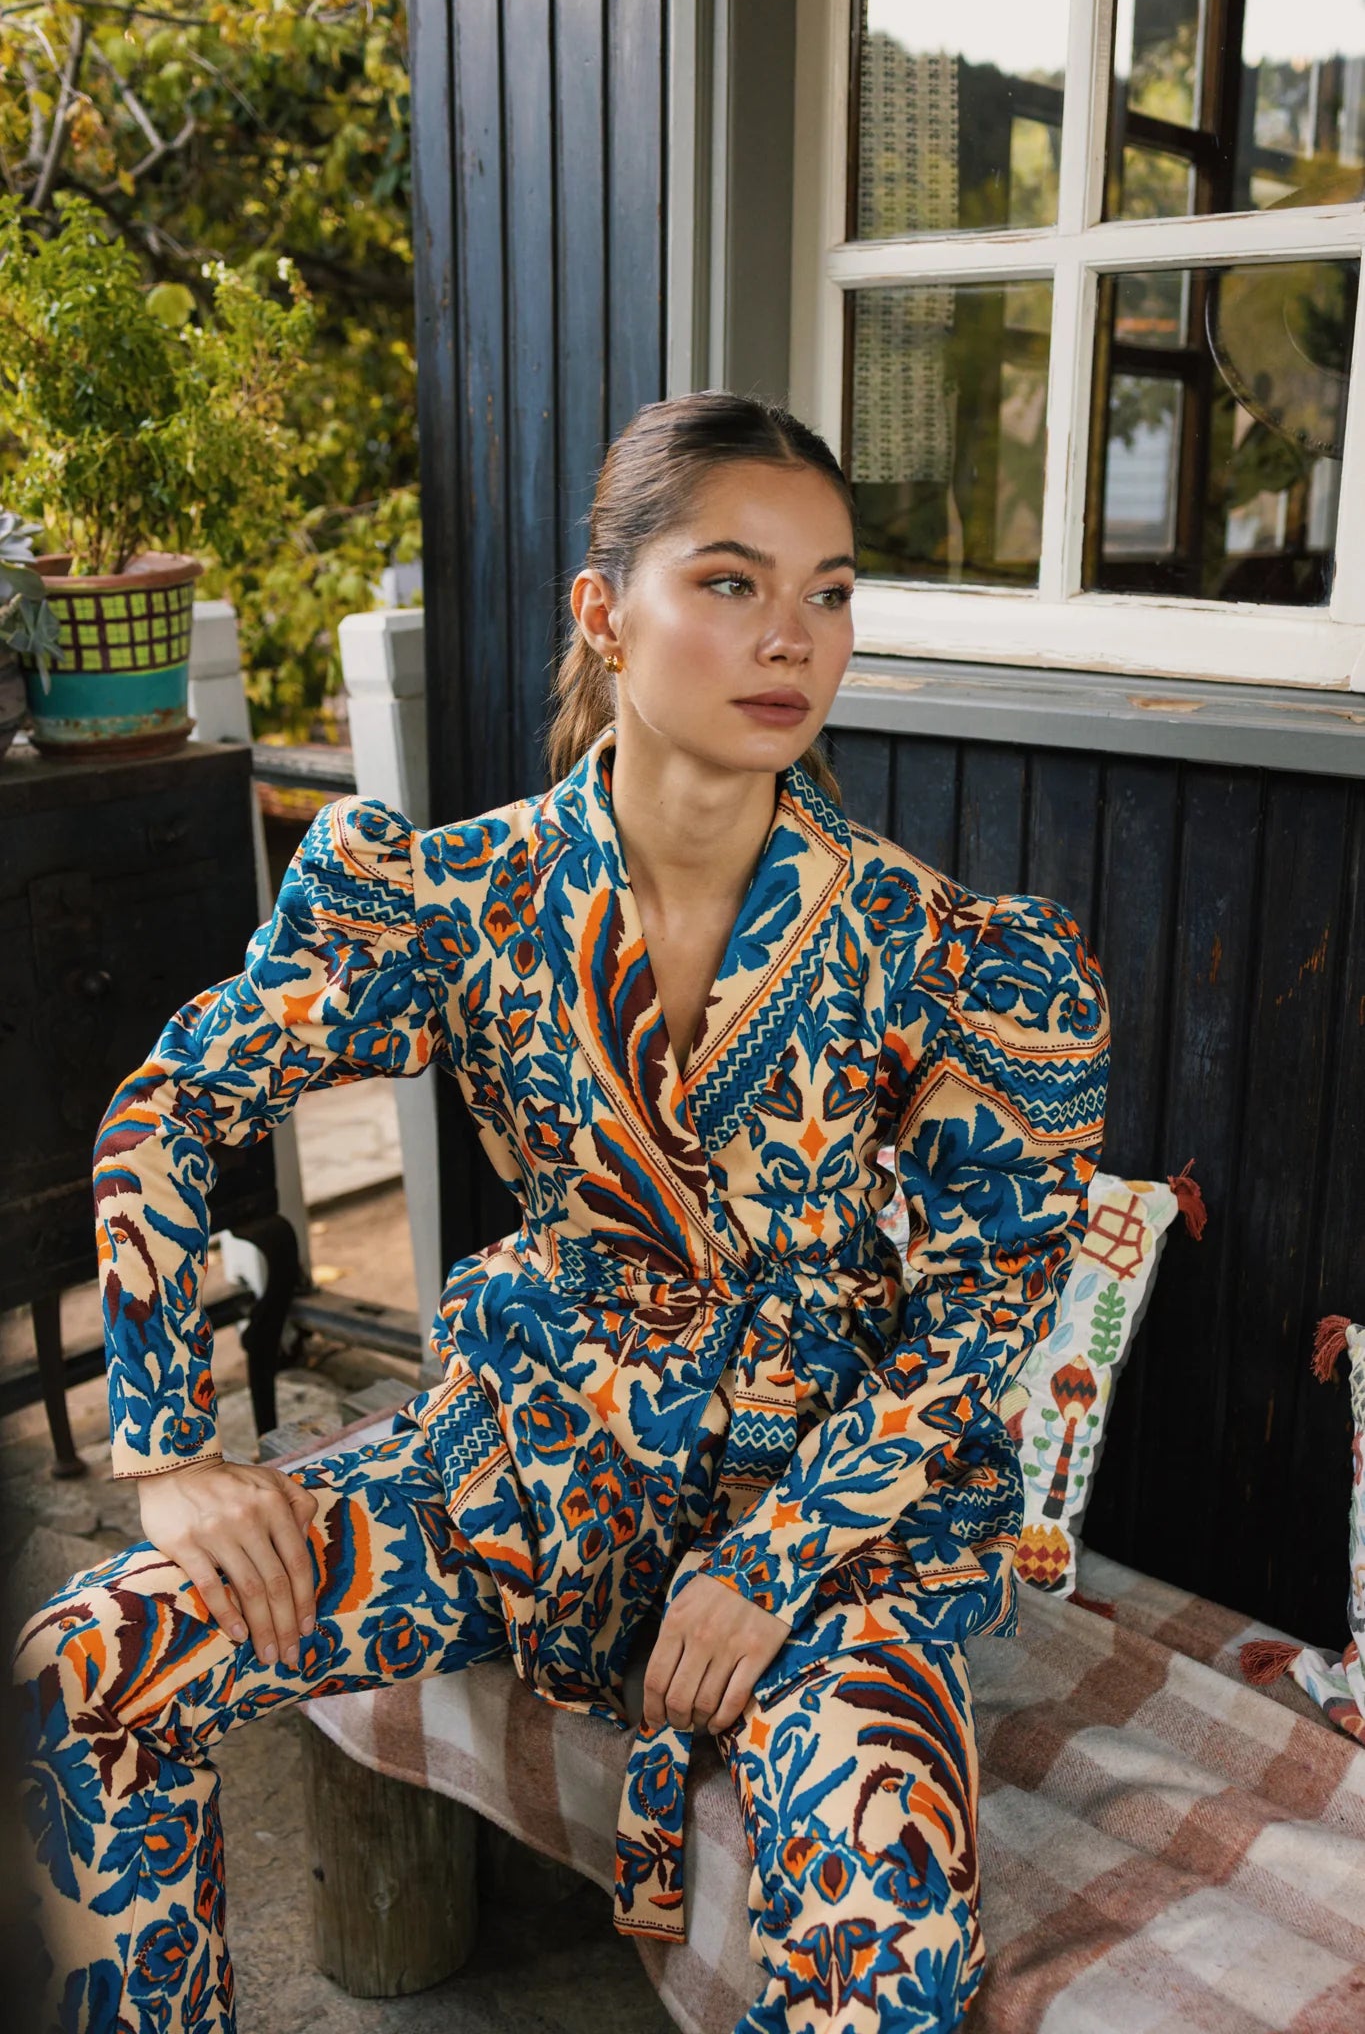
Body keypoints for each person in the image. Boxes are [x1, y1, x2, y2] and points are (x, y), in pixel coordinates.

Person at [14, 390, 1108, 2034]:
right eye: (729, 582)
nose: (791, 638)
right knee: (86, 1669)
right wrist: (171, 1451)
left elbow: (984, 1306)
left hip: (824, 1508)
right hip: (527, 1465)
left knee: (884, 1901)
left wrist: (774, 1561)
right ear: (605, 612)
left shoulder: (938, 950)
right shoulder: (460, 899)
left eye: (827, 592)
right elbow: (174, 1105)